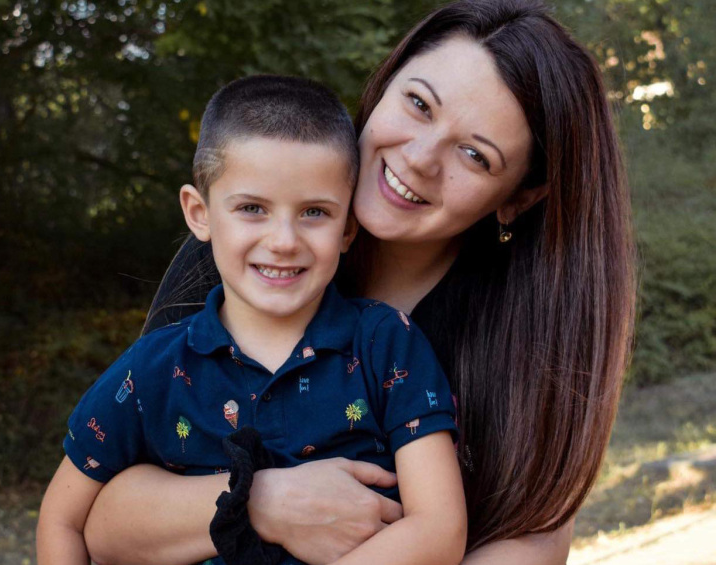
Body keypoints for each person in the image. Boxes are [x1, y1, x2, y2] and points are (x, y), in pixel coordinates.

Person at [81, 1, 636, 564]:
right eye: (418, 104)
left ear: (518, 198)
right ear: (384, 83)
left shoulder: (525, 332)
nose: (419, 158)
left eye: (474, 154)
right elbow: (101, 514)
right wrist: (262, 499)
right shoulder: (251, 253)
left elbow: (534, 535)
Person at [36, 75, 466, 565]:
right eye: (252, 208)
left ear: (348, 227)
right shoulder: (152, 368)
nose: (283, 240)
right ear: (199, 213)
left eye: (314, 212)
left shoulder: (385, 343)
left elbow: (440, 530)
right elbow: (63, 520)